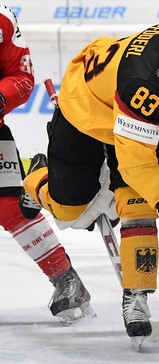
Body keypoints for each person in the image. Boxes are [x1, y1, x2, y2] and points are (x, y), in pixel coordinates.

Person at [21, 9, 159, 344]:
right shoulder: (142, 85)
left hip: (123, 105)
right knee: (68, 211)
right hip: (85, 112)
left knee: (137, 201)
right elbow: (135, 164)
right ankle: (37, 178)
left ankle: (136, 298)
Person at [0, 3, 92, 324]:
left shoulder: (2, 17)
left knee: (11, 207)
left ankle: (66, 280)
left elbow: (22, 77)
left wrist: (0, 98)